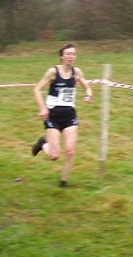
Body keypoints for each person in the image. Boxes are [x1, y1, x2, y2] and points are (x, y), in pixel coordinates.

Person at [32, 43, 93, 187]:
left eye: (73, 54)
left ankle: (63, 182)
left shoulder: (77, 72)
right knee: (54, 155)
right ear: (62, 56)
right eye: (68, 54)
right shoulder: (53, 72)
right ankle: (42, 143)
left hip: (69, 115)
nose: (71, 57)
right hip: (53, 116)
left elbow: (87, 86)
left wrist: (88, 95)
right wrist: (42, 108)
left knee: (70, 151)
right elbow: (37, 89)